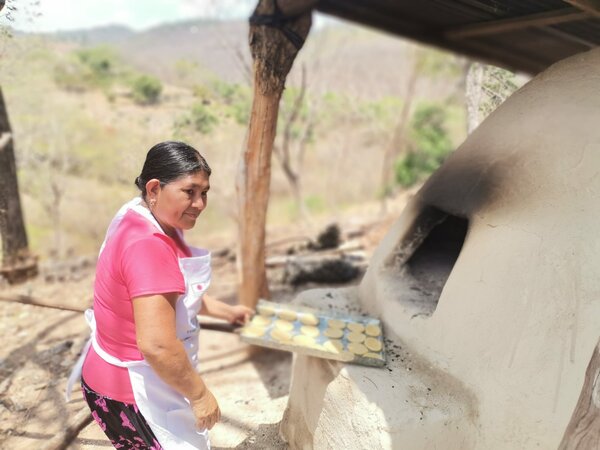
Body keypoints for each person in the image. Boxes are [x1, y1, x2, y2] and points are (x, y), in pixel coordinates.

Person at [66, 141, 253, 449]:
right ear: (154, 189)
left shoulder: (138, 214)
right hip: (134, 390)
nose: (200, 203)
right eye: (189, 192)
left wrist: (225, 312)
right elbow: (157, 345)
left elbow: (170, 297)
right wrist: (200, 394)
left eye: (204, 192)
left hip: (107, 376)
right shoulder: (148, 246)